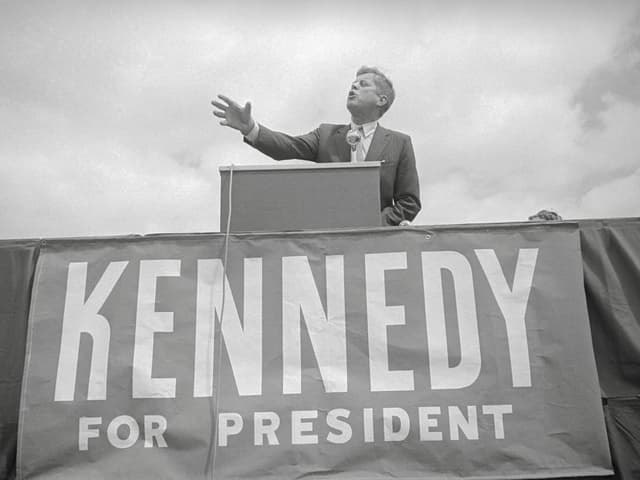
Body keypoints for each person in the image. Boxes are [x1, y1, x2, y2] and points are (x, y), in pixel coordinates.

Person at [212, 66, 421, 226]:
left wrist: (375, 224)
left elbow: (409, 201)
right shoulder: (326, 134)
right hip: (326, 241)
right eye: (353, 83)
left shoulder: (399, 143)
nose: (354, 86)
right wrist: (250, 128)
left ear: (381, 100)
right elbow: (287, 147)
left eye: (363, 84)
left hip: (375, 244)